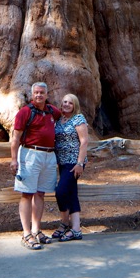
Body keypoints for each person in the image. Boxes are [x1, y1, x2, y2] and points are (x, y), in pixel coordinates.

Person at [10, 82, 61, 250]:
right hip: (30, 154)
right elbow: (16, 138)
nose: (39, 95)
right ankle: (26, 234)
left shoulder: (52, 111)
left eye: (42, 92)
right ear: (32, 95)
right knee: (27, 193)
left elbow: (66, 117)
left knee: (40, 193)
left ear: (47, 94)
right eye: (36, 92)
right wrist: (13, 159)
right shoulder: (25, 112)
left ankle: (36, 230)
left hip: (49, 155)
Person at [51, 94, 89, 242]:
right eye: (64, 102)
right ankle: (73, 228)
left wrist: (80, 163)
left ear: (75, 105)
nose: (67, 104)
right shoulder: (59, 120)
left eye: (70, 103)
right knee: (71, 192)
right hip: (62, 162)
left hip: (74, 162)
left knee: (61, 191)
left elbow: (84, 141)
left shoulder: (78, 119)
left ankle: (68, 225)